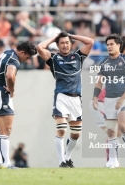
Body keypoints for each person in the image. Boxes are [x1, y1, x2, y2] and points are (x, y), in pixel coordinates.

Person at [36, 31, 94, 168]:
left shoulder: (78, 56)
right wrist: (54, 38)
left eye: (67, 42)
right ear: (58, 45)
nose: (65, 45)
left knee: (76, 134)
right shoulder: (53, 58)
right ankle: (61, 161)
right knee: (61, 130)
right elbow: (39, 47)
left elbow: (90, 41)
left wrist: (72, 35)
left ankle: (67, 157)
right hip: (61, 97)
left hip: (76, 99)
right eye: (62, 43)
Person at [92, 34, 125, 169]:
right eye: (108, 44)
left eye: (112, 44)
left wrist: (123, 98)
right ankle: (113, 161)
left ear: (119, 45)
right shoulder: (104, 63)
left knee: (123, 126)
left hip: (123, 99)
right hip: (109, 100)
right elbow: (99, 82)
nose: (109, 46)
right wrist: (95, 97)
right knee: (111, 132)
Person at [0, 41, 37, 169]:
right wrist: (12, 89)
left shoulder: (6, 53)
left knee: (4, 130)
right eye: (26, 57)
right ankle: (6, 163)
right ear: (22, 52)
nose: (25, 60)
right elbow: (10, 75)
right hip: (2, 94)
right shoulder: (14, 59)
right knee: (6, 130)